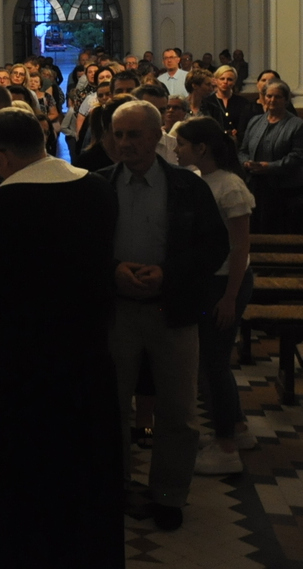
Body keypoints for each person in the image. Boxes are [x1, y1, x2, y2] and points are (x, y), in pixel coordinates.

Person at [0, 108, 123, 568]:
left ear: (0, 156)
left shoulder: (7, 201)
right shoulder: (96, 187)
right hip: (89, 350)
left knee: (30, 467)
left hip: (28, 358)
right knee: (85, 462)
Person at [97, 101, 229, 531]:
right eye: (118, 134)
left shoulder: (188, 187)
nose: (124, 143)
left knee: (177, 410)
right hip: (117, 312)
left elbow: (214, 247)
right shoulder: (98, 186)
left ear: (156, 137)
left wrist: (167, 274)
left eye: (134, 134)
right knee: (110, 406)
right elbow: (79, 247)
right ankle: (112, 487)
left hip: (172, 310)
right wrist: (113, 269)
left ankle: (169, 494)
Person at [172, 118, 257, 474]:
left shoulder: (230, 186)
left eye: (181, 143)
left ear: (201, 148)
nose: (176, 149)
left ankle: (225, 449)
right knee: (212, 360)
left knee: (214, 364)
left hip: (226, 283)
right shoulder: (201, 179)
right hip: (213, 281)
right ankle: (237, 429)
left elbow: (240, 248)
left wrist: (229, 297)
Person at [239, 80, 303, 233]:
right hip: (256, 188)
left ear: (286, 100)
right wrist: (246, 163)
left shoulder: (297, 124)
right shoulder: (255, 121)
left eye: (277, 97)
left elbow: (297, 156)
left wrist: (269, 167)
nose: (272, 100)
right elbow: (243, 151)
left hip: (283, 192)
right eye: (269, 96)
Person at [207, 64, 252, 140]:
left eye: (229, 79)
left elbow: (246, 124)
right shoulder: (208, 101)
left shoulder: (242, 102)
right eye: (222, 79)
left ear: (234, 82)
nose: (225, 82)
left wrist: (238, 132)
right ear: (216, 80)